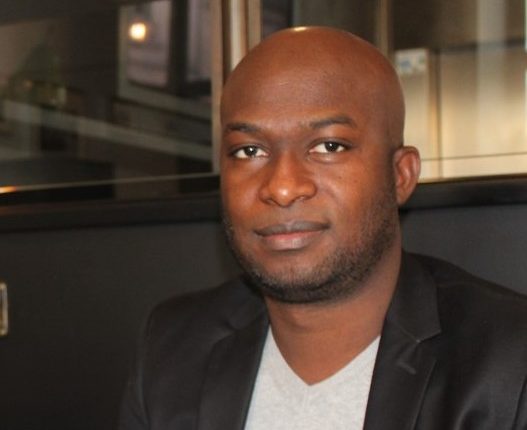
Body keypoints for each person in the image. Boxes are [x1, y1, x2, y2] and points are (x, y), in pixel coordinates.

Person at [119, 27, 527, 430]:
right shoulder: (175, 346)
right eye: (249, 150)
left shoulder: (509, 362)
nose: (282, 187)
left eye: (329, 146)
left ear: (400, 175)